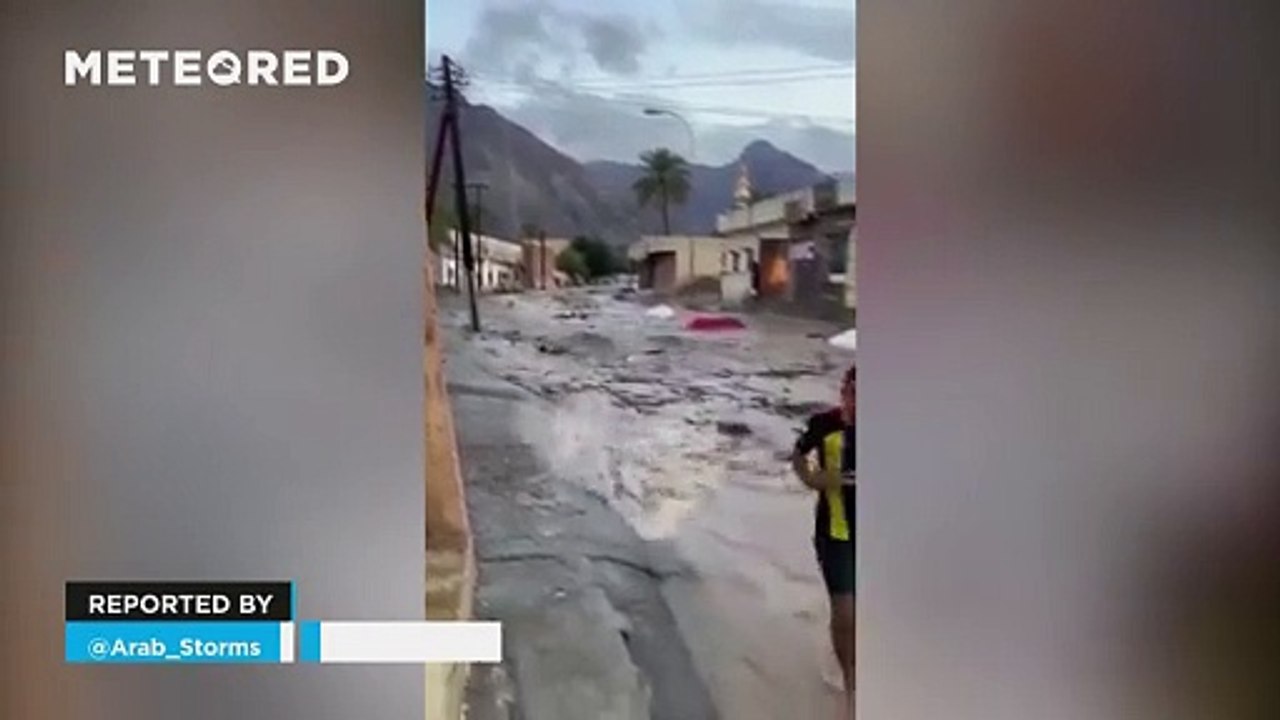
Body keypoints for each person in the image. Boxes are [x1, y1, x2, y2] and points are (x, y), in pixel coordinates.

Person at [791, 364, 856, 717]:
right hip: (835, 533)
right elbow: (798, 457)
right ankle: (851, 684)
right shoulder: (824, 424)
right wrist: (815, 479)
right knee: (845, 613)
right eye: (854, 393)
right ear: (844, 393)